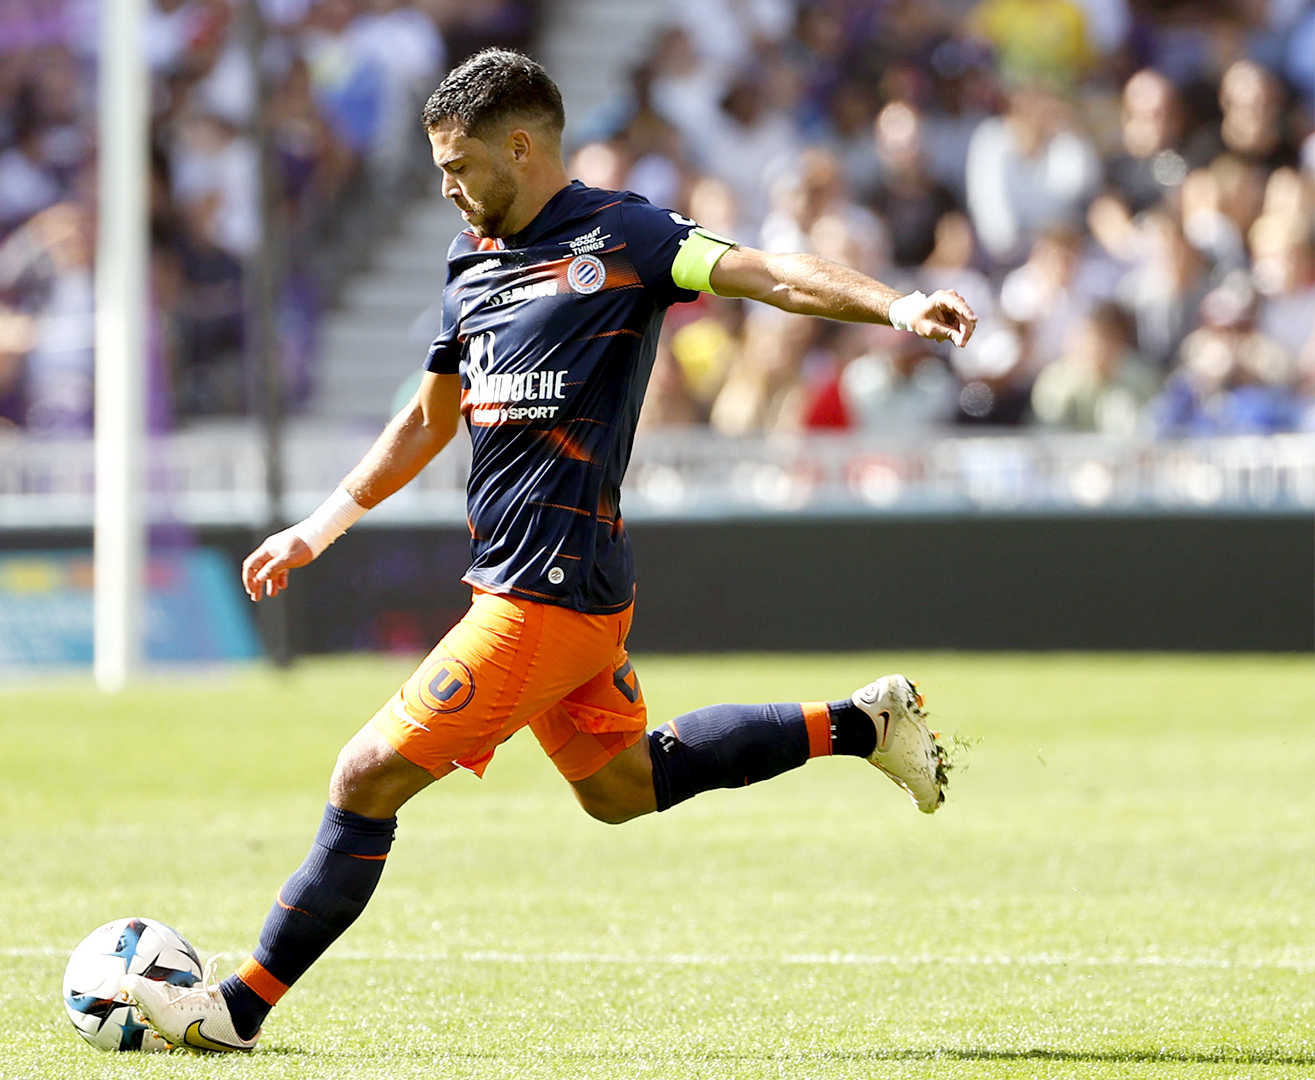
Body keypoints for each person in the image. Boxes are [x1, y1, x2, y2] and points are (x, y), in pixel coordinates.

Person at [125, 49, 980, 1053]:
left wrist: (893, 305)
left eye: (458, 166)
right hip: (532, 585)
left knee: (363, 778)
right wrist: (319, 527)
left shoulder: (629, 238)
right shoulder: (468, 261)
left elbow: (765, 272)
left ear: (521, 149)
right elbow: (427, 419)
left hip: (549, 596)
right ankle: (863, 724)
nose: (447, 188)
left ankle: (237, 1009)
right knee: (622, 788)